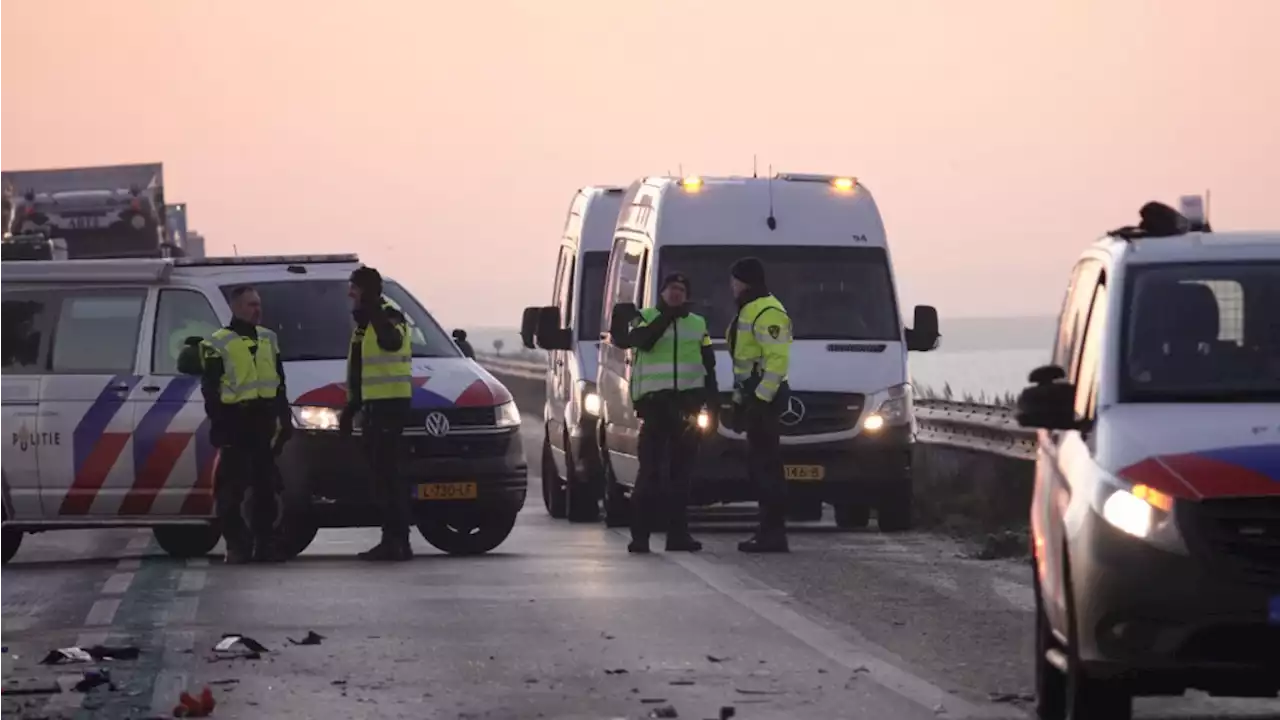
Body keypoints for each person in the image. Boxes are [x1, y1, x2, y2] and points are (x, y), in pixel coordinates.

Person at [179, 286, 293, 564]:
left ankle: (265, 544)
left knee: (267, 489)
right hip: (235, 421)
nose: (258, 309)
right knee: (231, 491)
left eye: (259, 304)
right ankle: (238, 544)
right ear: (237, 307)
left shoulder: (269, 339)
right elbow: (211, 389)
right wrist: (221, 423)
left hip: (263, 421)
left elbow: (278, 383)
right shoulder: (218, 343)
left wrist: (284, 418)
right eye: (252, 304)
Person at [613, 272, 717, 554]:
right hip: (656, 408)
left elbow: (709, 364)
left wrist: (712, 403)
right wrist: (667, 316)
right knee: (649, 474)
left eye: (681, 289)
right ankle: (640, 537)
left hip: (687, 409)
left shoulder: (697, 324)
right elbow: (642, 341)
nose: (676, 293)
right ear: (661, 292)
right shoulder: (645, 317)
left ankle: (678, 535)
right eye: (671, 288)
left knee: (681, 476)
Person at [340, 266, 415, 562]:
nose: (350, 295)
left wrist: (372, 310)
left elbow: (392, 341)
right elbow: (359, 368)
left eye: (355, 289)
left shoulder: (388, 313)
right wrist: (351, 408)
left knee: (391, 477)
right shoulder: (364, 322)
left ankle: (398, 541)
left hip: (390, 406)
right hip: (373, 406)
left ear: (367, 291)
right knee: (381, 478)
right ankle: (391, 539)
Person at [725, 257, 792, 553]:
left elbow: (776, 363)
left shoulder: (767, 311)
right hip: (754, 399)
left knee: (767, 469)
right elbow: (745, 365)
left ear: (744, 282)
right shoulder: (750, 310)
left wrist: (760, 400)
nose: (732, 286)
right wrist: (740, 402)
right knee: (759, 467)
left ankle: (773, 533)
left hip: (764, 401)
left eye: (734, 280)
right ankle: (767, 530)